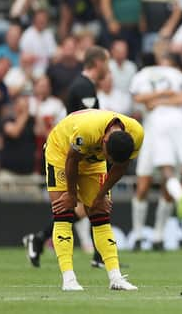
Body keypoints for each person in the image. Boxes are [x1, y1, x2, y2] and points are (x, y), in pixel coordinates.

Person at [24, 47, 110, 268]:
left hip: (77, 152)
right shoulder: (84, 87)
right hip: (77, 154)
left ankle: (41, 239)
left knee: (85, 207)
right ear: (97, 63)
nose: (108, 69)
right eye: (106, 63)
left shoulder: (83, 86)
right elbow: (88, 125)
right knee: (91, 203)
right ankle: (97, 255)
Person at [45, 109, 143, 290]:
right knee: (63, 211)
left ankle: (116, 277)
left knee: (100, 212)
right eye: (109, 157)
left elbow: (121, 167)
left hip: (92, 159)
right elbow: (72, 160)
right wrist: (72, 195)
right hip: (61, 152)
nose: (109, 161)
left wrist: (100, 196)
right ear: (104, 141)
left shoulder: (136, 133)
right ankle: (69, 279)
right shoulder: (87, 130)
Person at [130, 55, 182, 250]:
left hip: (167, 134)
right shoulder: (144, 76)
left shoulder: (176, 75)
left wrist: (157, 99)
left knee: (167, 184)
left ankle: (158, 236)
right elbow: (138, 99)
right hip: (150, 134)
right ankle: (138, 235)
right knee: (143, 185)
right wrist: (166, 94)